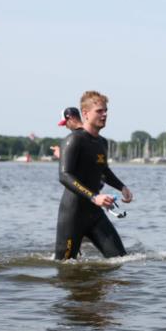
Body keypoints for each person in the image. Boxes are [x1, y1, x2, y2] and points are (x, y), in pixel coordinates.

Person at [54, 92, 134, 260]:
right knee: (65, 267)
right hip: (73, 215)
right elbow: (64, 175)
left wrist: (122, 187)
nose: (104, 114)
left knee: (120, 259)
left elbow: (104, 171)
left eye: (105, 111)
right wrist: (93, 197)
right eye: (99, 111)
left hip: (95, 214)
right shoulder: (73, 140)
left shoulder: (102, 143)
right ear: (85, 113)